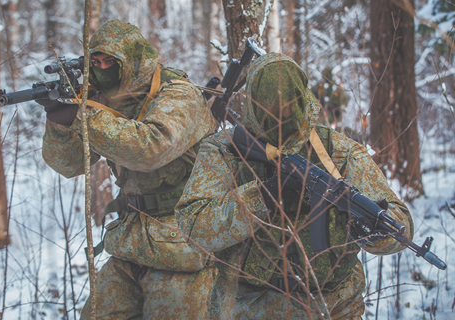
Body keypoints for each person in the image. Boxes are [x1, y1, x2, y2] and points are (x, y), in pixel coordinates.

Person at [175, 53, 414, 319]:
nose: (280, 116)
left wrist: (375, 232)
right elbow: (193, 227)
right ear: (253, 102)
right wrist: (263, 197)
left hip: (332, 306)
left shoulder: (340, 152)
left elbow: (400, 224)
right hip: (247, 306)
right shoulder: (224, 150)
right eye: (269, 109)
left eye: (288, 106)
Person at [40, 19, 217, 319]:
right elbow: (68, 165)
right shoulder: (105, 101)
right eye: (96, 62)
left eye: (111, 62)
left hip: (184, 246)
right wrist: (60, 122)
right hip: (130, 243)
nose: (103, 69)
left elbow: (150, 148)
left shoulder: (179, 95)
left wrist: (85, 117)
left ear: (134, 61)